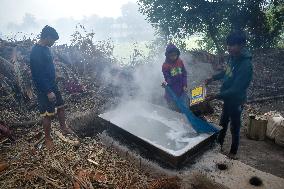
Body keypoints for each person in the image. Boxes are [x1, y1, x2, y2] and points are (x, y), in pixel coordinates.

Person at [205, 30, 253, 159]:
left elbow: (237, 90)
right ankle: (218, 145)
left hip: (236, 100)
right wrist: (213, 78)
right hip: (227, 98)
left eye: (232, 45)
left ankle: (233, 151)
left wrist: (216, 95)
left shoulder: (246, 65)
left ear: (242, 45)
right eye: (228, 45)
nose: (229, 48)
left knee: (234, 126)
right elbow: (227, 72)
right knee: (222, 122)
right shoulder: (233, 57)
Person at [30, 25, 73, 150]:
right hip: (44, 89)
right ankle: (48, 139)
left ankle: (63, 128)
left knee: (61, 107)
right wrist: (48, 91)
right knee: (47, 115)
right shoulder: (36, 52)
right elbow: (38, 75)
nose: (54, 43)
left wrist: (56, 74)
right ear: (47, 37)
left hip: (52, 84)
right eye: (53, 40)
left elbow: (48, 66)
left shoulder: (46, 49)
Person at [162, 44, 188, 111]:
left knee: (183, 108)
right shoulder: (165, 66)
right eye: (171, 55)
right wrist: (166, 83)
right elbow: (167, 77)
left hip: (181, 89)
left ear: (177, 54)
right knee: (173, 110)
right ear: (168, 55)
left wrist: (185, 85)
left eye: (175, 55)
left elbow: (184, 74)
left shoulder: (180, 62)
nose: (174, 57)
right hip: (172, 92)